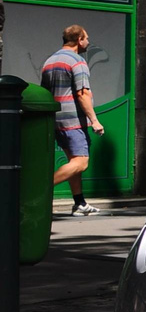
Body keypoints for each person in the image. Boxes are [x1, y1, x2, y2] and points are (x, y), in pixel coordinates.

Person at [40, 25, 104, 216]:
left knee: (73, 160)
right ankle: (39, 189)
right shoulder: (78, 62)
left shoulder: (49, 61)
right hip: (73, 120)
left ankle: (80, 203)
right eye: (86, 38)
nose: (88, 42)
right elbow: (82, 93)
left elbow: (45, 92)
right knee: (81, 162)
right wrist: (94, 120)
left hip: (56, 119)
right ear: (79, 40)